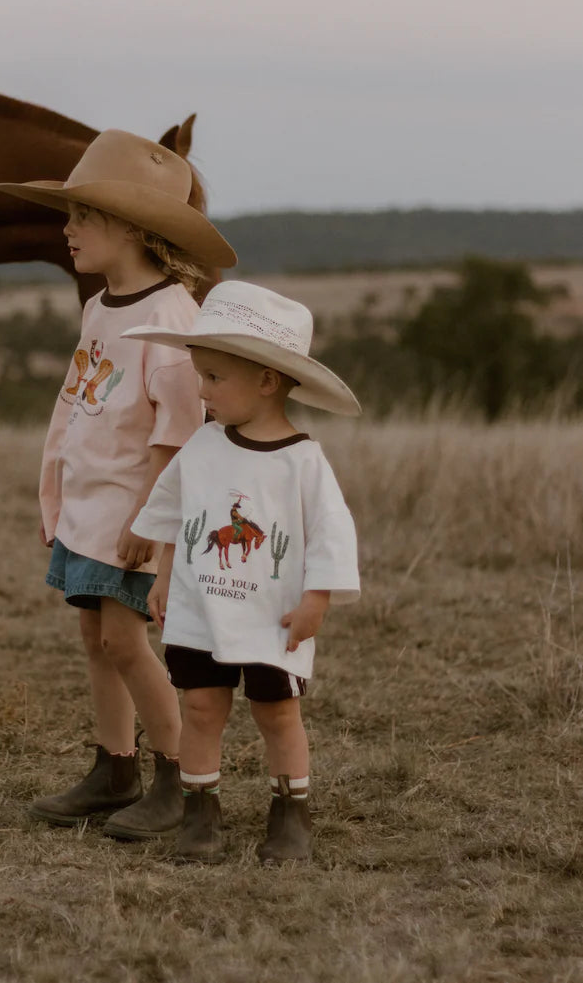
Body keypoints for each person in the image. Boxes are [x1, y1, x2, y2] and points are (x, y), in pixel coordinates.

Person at [0, 130, 236, 839]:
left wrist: (149, 522)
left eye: (82, 217)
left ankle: (178, 777)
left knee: (127, 641)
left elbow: (180, 436)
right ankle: (114, 765)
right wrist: (59, 493)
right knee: (94, 634)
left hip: (134, 517)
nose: (65, 230)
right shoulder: (101, 307)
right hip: (90, 508)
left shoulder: (170, 321)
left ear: (131, 229)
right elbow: (78, 408)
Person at [123, 280, 361, 864]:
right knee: (200, 709)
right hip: (200, 609)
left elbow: (332, 536)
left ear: (267, 379)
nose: (202, 392)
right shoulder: (202, 446)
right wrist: (161, 576)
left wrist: (317, 601)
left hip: (270, 617)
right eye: (199, 376)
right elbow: (180, 514)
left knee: (277, 713)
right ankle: (201, 815)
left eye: (214, 378)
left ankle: (291, 815)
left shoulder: (302, 461)